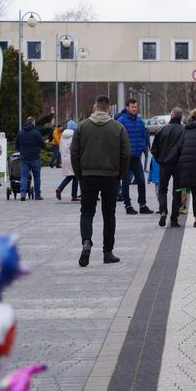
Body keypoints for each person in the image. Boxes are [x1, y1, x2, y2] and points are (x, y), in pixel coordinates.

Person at [71, 95, 130, 267]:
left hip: (88, 176)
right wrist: (119, 174)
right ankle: (107, 252)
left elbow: (74, 152)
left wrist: (80, 174)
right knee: (109, 214)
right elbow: (125, 154)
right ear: (109, 109)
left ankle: (86, 242)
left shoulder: (82, 126)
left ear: (95, 106)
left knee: (87, 212)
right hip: (110, 177)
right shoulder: (118, 127)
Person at [117, 98, 153, 215]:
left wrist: (143, 147)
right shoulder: (121, 121)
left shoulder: (139, 121)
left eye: (136, 107)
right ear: (127, 107)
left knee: (141, 181)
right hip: (126, 157)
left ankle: (142, 205)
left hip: (136, 157)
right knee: (126, 182)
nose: (134, 109)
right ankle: (128, 206)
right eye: (132, 107)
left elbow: (143, 135)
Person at [151, 107, 184, 228]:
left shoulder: (162, 130)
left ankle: (163, 211)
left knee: (162, 189)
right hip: (178, 165)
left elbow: (153, 149)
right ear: (181, 117)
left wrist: (160, 159)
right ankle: (174, 219)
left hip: (164, 164)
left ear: (171, 115)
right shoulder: (183, 131)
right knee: (178, 191)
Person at [15, 116, 46, 201]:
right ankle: (37, 195)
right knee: (36, 177)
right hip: (35, 158)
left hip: (24, 158)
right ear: (32, 122)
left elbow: (16, 146)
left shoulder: (20, 133)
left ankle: (23, 194)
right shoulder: (36, 133)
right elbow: (43, 145)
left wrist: (22, 151)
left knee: (24, 176)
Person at [55, 121, 79, 201]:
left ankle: (61, 189)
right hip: (72, 159)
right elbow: (75, 148)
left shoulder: (62, 136)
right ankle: (73, 195)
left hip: (64, 158)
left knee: (71, 176)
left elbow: (60, 148)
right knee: (75, 176)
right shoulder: (73, 136)